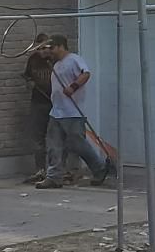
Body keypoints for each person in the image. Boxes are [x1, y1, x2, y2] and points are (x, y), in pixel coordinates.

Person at [36, 34, 108, 189]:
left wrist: (73, 87)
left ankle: (100, 168)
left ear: (61, 46)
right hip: (56, 112)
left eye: (52, 48)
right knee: (54, 144)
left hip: (73, 111)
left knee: (78, 144)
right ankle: (54, 177)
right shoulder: (56, 65)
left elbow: (86, 74)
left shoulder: (74, 59)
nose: (51, 51)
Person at [21, 33, 54, 184]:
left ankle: (55, 170)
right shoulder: (33, 60)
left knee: (55, 137)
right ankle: (40, 170)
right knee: (38, 137)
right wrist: (30, 83)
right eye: (39, 49)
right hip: (38, 102)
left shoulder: (55, 60)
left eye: (45, 48)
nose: (42, 52)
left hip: (54, 103)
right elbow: (27, 76)